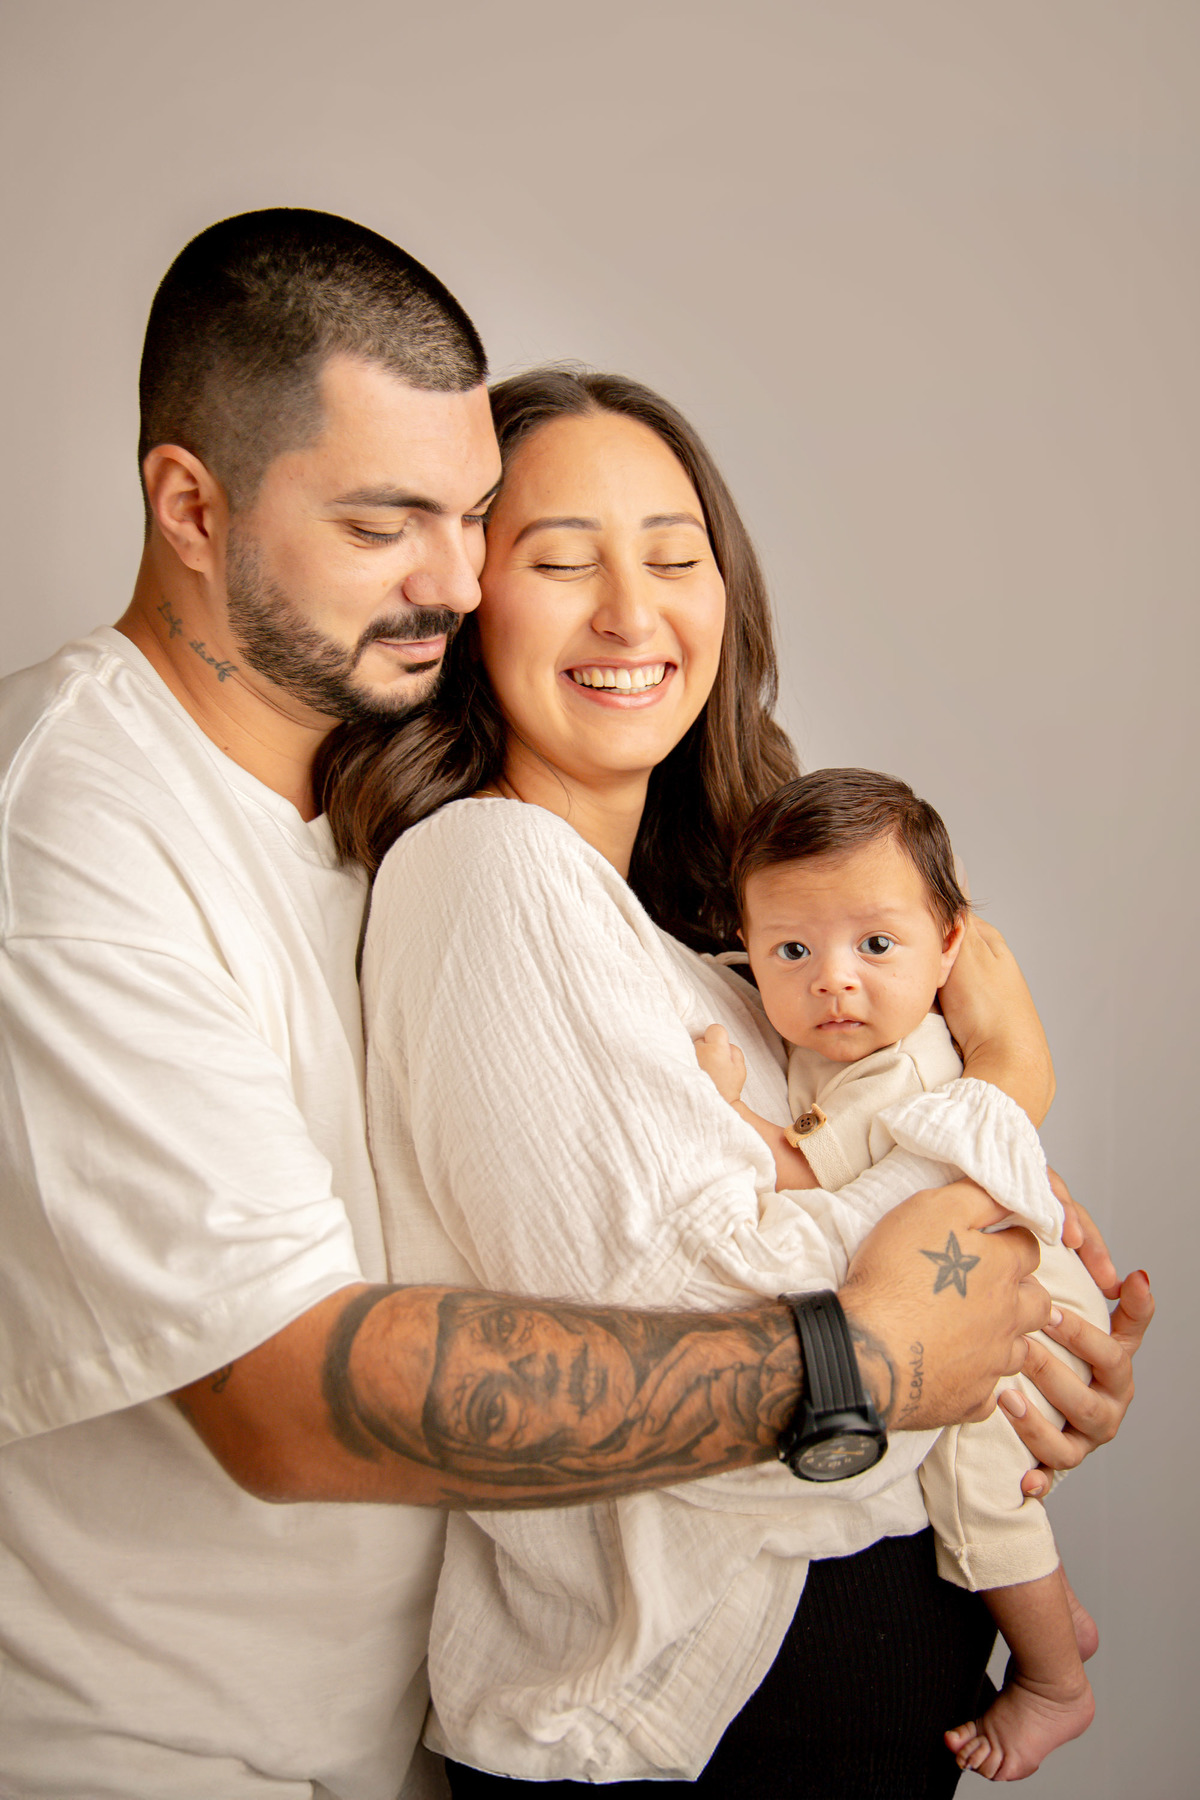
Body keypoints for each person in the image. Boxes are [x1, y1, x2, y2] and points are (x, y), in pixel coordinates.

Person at [0, 210, 1147, 1800]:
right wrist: (904, 1309)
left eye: (474, 520)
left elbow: (841, 1266)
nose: (453, 578)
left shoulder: (404, 841)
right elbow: (288, 1396)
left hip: (364, 1740)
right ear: (192, 506)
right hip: (152, 1755)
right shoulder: (85, 831)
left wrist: (1010, 1340)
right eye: (392, 523)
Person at [326, 366, 1143, 1797]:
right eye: (561, 561)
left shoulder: (708, 948)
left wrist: (1025, 1344)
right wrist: (1003, 1105)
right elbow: (723, 1346)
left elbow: (902, 1311)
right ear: (467, 605)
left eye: (674, 557)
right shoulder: (488, 867)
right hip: (673, 1740)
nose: (629, 615)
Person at [693, 766, 1109, 1782]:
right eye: (793, 951)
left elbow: (799, 1171)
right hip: (974, 1279)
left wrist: (721, 1104)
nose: (833, 981)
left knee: (974, 1485)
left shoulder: (902, 1067)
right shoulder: (833, 1031)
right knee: (976, 1480)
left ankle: (1054, 1681)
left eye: (876, 946)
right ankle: (1058, 1612)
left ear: (949, 948)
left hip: (1018, 1305)